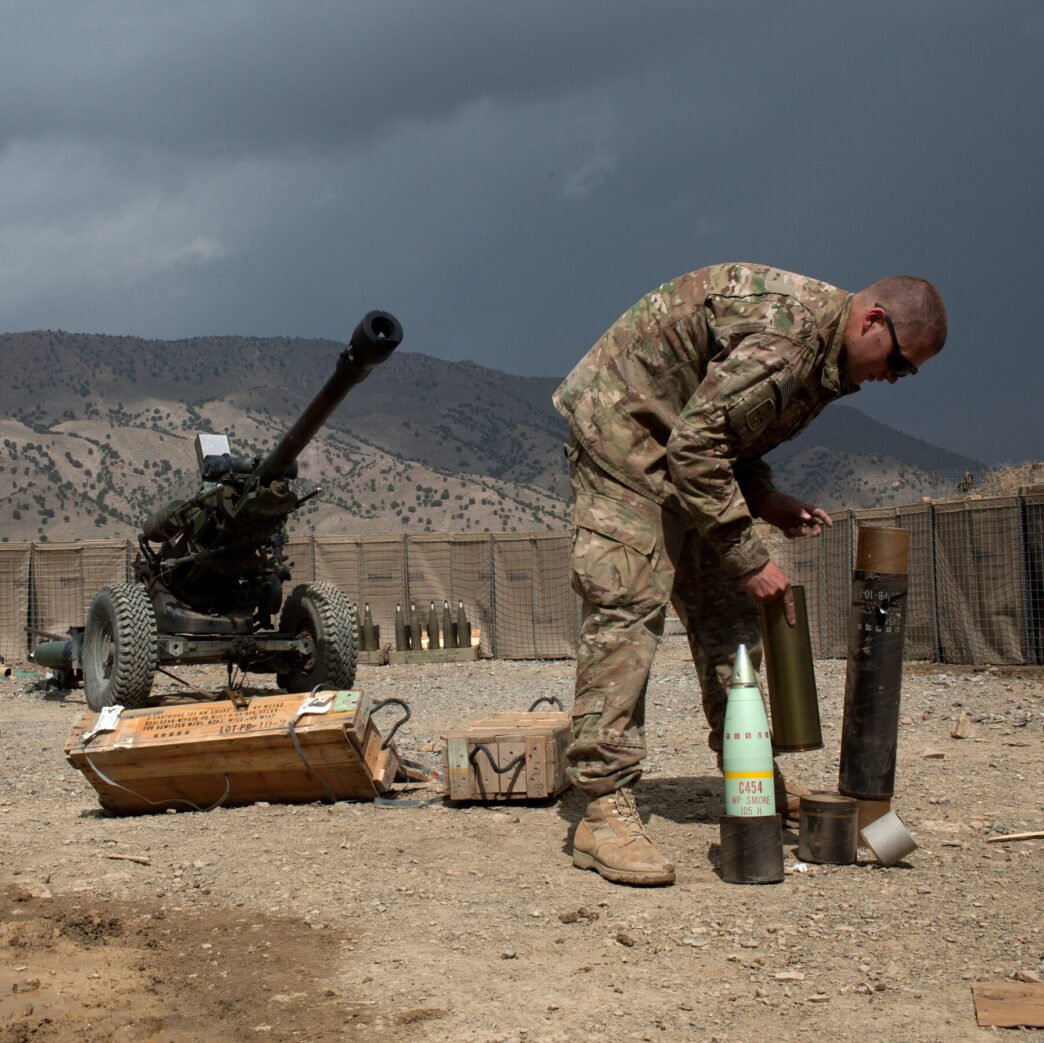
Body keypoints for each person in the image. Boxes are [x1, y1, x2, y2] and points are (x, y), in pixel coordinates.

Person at [553, 262, 947, 886]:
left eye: (906, 372)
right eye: (899, 362)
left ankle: (751, 773)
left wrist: (763, 499)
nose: (893, 379)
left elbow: (735, 438)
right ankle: (602, 809)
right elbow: (697, 448)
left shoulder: (824, 360)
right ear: (873, 321)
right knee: (627, 608)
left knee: (732, 621)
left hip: (684, 448)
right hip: (624, 435)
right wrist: (751, 555)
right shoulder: (788, 339)